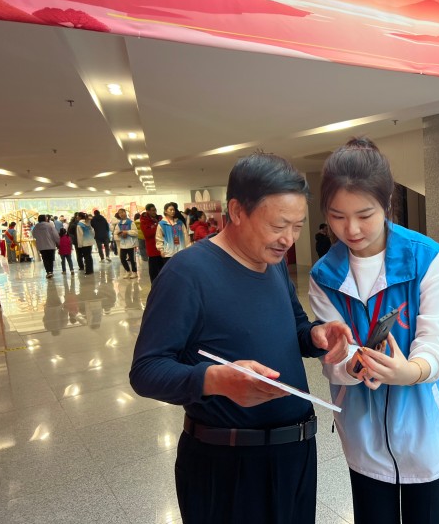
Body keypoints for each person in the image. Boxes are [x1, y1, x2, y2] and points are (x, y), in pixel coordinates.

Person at [130, 153, 353, 524]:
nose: (288, 239)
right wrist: (216, 380)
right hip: (229, 464)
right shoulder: (187, 273)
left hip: (295, 453)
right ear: (236, 211)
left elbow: (295, 327)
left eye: (297, 226)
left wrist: (316, 334)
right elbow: (146, 370)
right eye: (278, 225)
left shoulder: (272, 264)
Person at [309, 138, 439, 524]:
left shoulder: (427, 258)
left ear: (387, 202)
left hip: (428, 426)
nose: (351, 229)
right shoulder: (324, 275)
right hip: (362, 430)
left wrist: (409, 371)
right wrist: (352, 365)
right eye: (337, 216)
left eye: (365, 214)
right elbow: (334, 355)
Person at [31, 214, 60, 278]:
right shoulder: (49, 225)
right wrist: (58, 242)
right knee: (50, 259)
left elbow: (34, 235)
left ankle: (48, 272)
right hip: (50, 245)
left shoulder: (36, 226)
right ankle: (51, 271)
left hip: (41, 246)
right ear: (45, 219)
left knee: (45, 259)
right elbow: (55, 235)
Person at [140, 203, 163, 283]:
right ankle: (154, 286)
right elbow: (147, 233)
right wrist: (157, 226)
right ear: (147, 211)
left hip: (162, 248)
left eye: (155, 210)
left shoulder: (160, 218)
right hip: (152, 248)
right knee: (154, 271)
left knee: (162, 269)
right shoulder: (144, 221)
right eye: (152, 210)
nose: (154, 212)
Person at [113, 208, 139, 279]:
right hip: (123, 244)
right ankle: (128, 271)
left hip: (131, 244)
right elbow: (116, 233)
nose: (121, 214)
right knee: (122, 258)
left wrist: (127, 232)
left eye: (122, 212)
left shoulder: (131, 222)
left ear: (125, 212)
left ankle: (134, 272)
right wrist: (120, 234)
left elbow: (135, 232)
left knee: (132, 259)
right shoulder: (119, 224)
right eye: (119, 213)